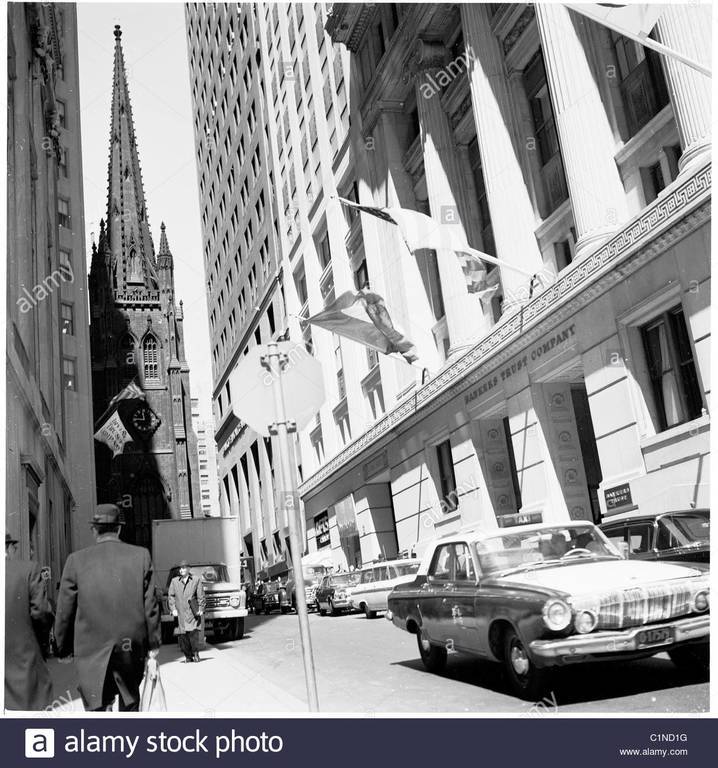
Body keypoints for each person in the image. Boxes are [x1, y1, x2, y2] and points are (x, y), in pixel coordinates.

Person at [54, 504, 161, 711]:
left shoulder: (75, 561)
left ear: (94, 530)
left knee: (97, 709)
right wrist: (153, 644)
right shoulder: (141, 556)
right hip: (130, 649)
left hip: (91, 652)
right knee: (130, 705)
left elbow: (64, 611)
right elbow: (151, 605)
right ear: (119, 528)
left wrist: (63, 649)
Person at [5, 532, 54, 711]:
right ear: (8, 548)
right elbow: (41, 612)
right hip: (23, 662)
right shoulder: (28, 570)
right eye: (14, 548)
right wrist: (41, 643)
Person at [167, 560, 205, 663]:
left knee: (193, 634)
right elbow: (171, 596)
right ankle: (188, 656)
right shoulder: (174, 581)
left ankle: (195, 653)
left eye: (184, 568)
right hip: (180, 613)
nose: (181, 570)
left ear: (188, 569)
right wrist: (173, 609)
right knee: (183, 637)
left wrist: (201, 609)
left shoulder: (196, 580)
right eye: (180, 568)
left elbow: (201, 596)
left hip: (192, 612)